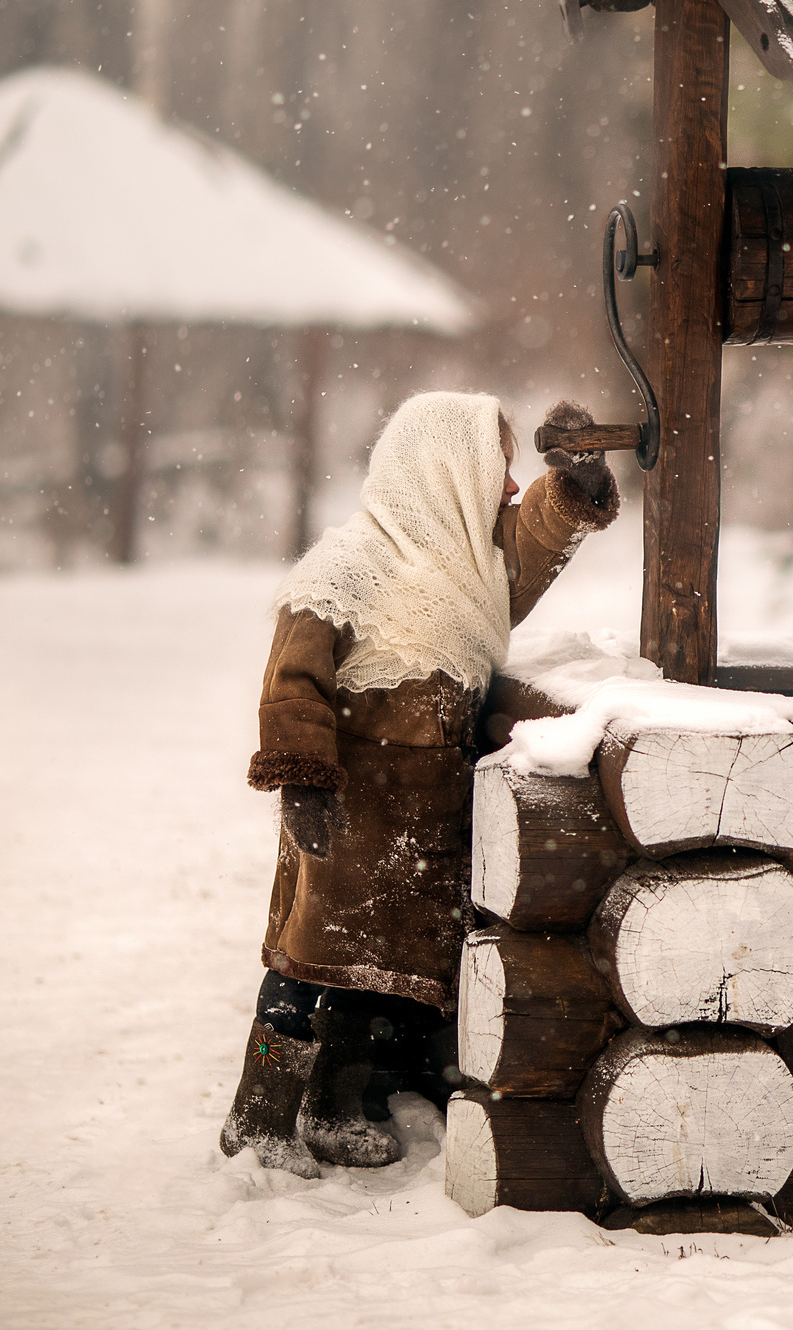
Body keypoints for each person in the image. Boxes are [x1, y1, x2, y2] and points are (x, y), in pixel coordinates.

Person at [217, 391, 619, 1176]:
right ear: (442, 471)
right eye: (496, 467)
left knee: (379, 979)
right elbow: (291, 677)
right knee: (303, 969)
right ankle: (258, 1113)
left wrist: (573, 479)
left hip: (425, 816)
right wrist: (303, 780)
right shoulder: (346, 566)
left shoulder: (472, 568)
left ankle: (334, 1105)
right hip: (346, 810)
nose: (508, 486)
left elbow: (535, 533)